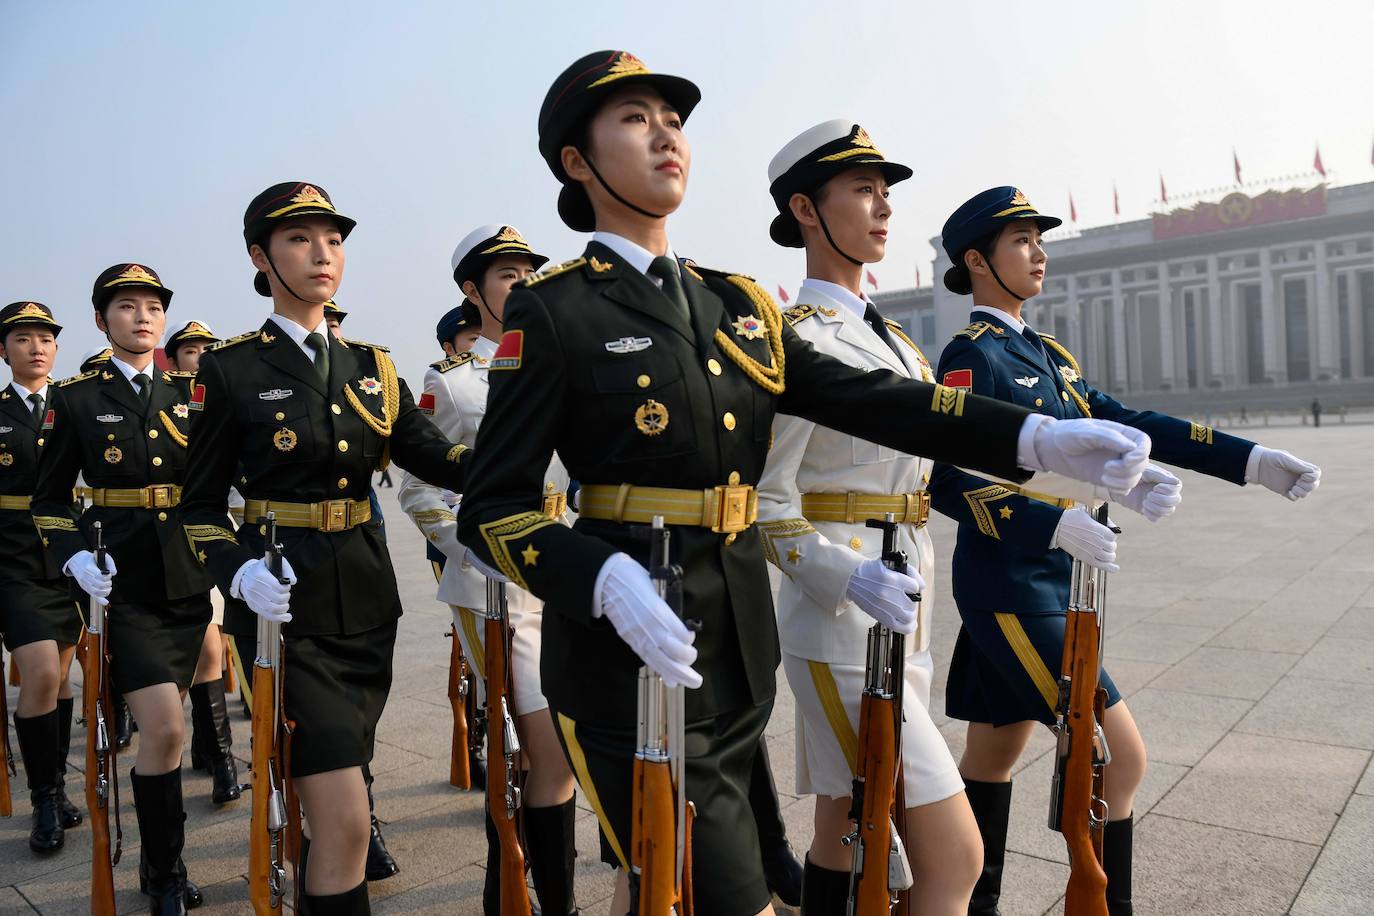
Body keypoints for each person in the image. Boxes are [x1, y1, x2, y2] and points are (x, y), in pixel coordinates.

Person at [453, 50, 1151, 916]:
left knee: (725, 884)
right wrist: (595, 575)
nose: (665, 134)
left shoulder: (734, 305)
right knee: (721, 892)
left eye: (672, 120)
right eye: (633, 119)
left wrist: (1041, 433)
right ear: (576, 160)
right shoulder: (554, 309)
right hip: (624, 652)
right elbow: (494, 510)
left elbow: (881, 401)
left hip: (736, 648)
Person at [929, 186, 1323, 916]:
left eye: (1040, 239)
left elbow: (1125, 422)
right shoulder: (970, 358)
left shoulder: (1047, 355)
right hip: (1010, 585)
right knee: (1121, 756)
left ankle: (970, 905)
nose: (1040, 252)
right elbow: (945, 477)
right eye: (1022, 241)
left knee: (994, 753)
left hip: (1056, 579)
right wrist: (1044, 524)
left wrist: (1251, 460)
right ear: (978, 261)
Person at [178, 181, 472, 914]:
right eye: (300, 240)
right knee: (343, 821)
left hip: (367, 601)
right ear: (261, 255)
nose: (322, 254)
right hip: (286, 612)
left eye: (333, 240)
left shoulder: (372, 366)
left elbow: (438, 460)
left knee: (340, 805)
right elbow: (198, 509)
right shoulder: (231, 368)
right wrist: (238, 571)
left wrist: (535, 444)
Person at [753, 120, 981, 914]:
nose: (883, 207)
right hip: (841, 615)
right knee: (954, 856)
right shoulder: (791, 342)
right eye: (862, 190)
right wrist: (842, 572)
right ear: (806, 210)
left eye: (887, 192)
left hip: (907, 607)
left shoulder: (903, 349)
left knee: (843, 825)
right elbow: (762, 500)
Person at [399, 224, 582, 914]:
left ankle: (510, 892)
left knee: (548, 750)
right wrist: (474, 543)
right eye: (507, 275)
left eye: (529, 271)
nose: (523, 283)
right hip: (491, 583)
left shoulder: (559, 360)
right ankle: (523, 889)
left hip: (561, 568)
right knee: (543, 743)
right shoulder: (446, 383)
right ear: (472, 292)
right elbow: (419, 491)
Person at [33, 264, 213, 914]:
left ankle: (159, 863)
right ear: (102, 319)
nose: (142, 316)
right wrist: (73, 556)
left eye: (152, 307)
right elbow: (49, 501)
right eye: (126, 306)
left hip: (188, 579)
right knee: (163, 730)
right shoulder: (76, 398)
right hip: (123, 584)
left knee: (176, 724)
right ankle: (163, 874)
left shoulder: (191, 393)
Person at [0, 301, 85, 854]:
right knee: (36, 674)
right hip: (13, 562)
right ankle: (44, 799)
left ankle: (55, 783)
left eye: (46, 338)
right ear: (4, 350)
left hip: (69, 560)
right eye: (23, 338)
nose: (37, 347)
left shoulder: (77, 405)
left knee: (58, 677)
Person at [163, 320, 243, 807]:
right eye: (188, 350)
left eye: (204, 350)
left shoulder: (226, 398)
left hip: (207, 540)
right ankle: (191, 743)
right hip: (157, 538)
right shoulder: (162, 401)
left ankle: (220, 759)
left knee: (210, 647)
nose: (198, 357)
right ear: (172, 360)